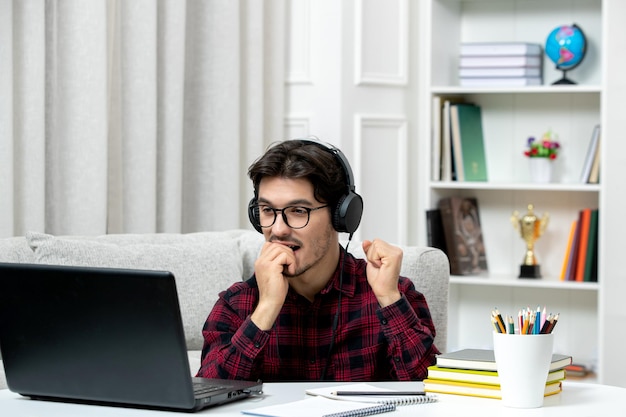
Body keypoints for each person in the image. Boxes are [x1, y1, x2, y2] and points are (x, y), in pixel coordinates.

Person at [196, 138, 439, 381]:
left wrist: (389, 298)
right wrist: (266, 309)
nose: (278, 230)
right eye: (268, 210)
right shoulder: (237, 304)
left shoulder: (392, 294)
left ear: (340, 216)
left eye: (298, 211)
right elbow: (209, 396)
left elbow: (436, 394)